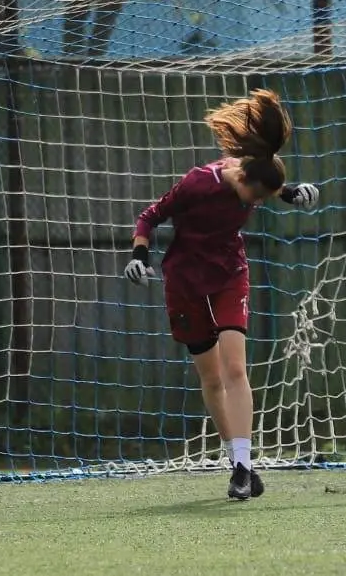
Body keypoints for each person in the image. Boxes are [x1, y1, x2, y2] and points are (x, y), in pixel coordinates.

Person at [125, 88, 320, 500]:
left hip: (230, 273)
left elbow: (266, 181)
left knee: (235, 368)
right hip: (185, 280)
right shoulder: (198, 184)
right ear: (242, 181)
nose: (259, 205)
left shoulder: (253, 174)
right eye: (258, 198)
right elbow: (150, 216)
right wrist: (139, 256)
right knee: (211, 377)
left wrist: (291, 191)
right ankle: (237, 463)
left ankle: (245, 468)